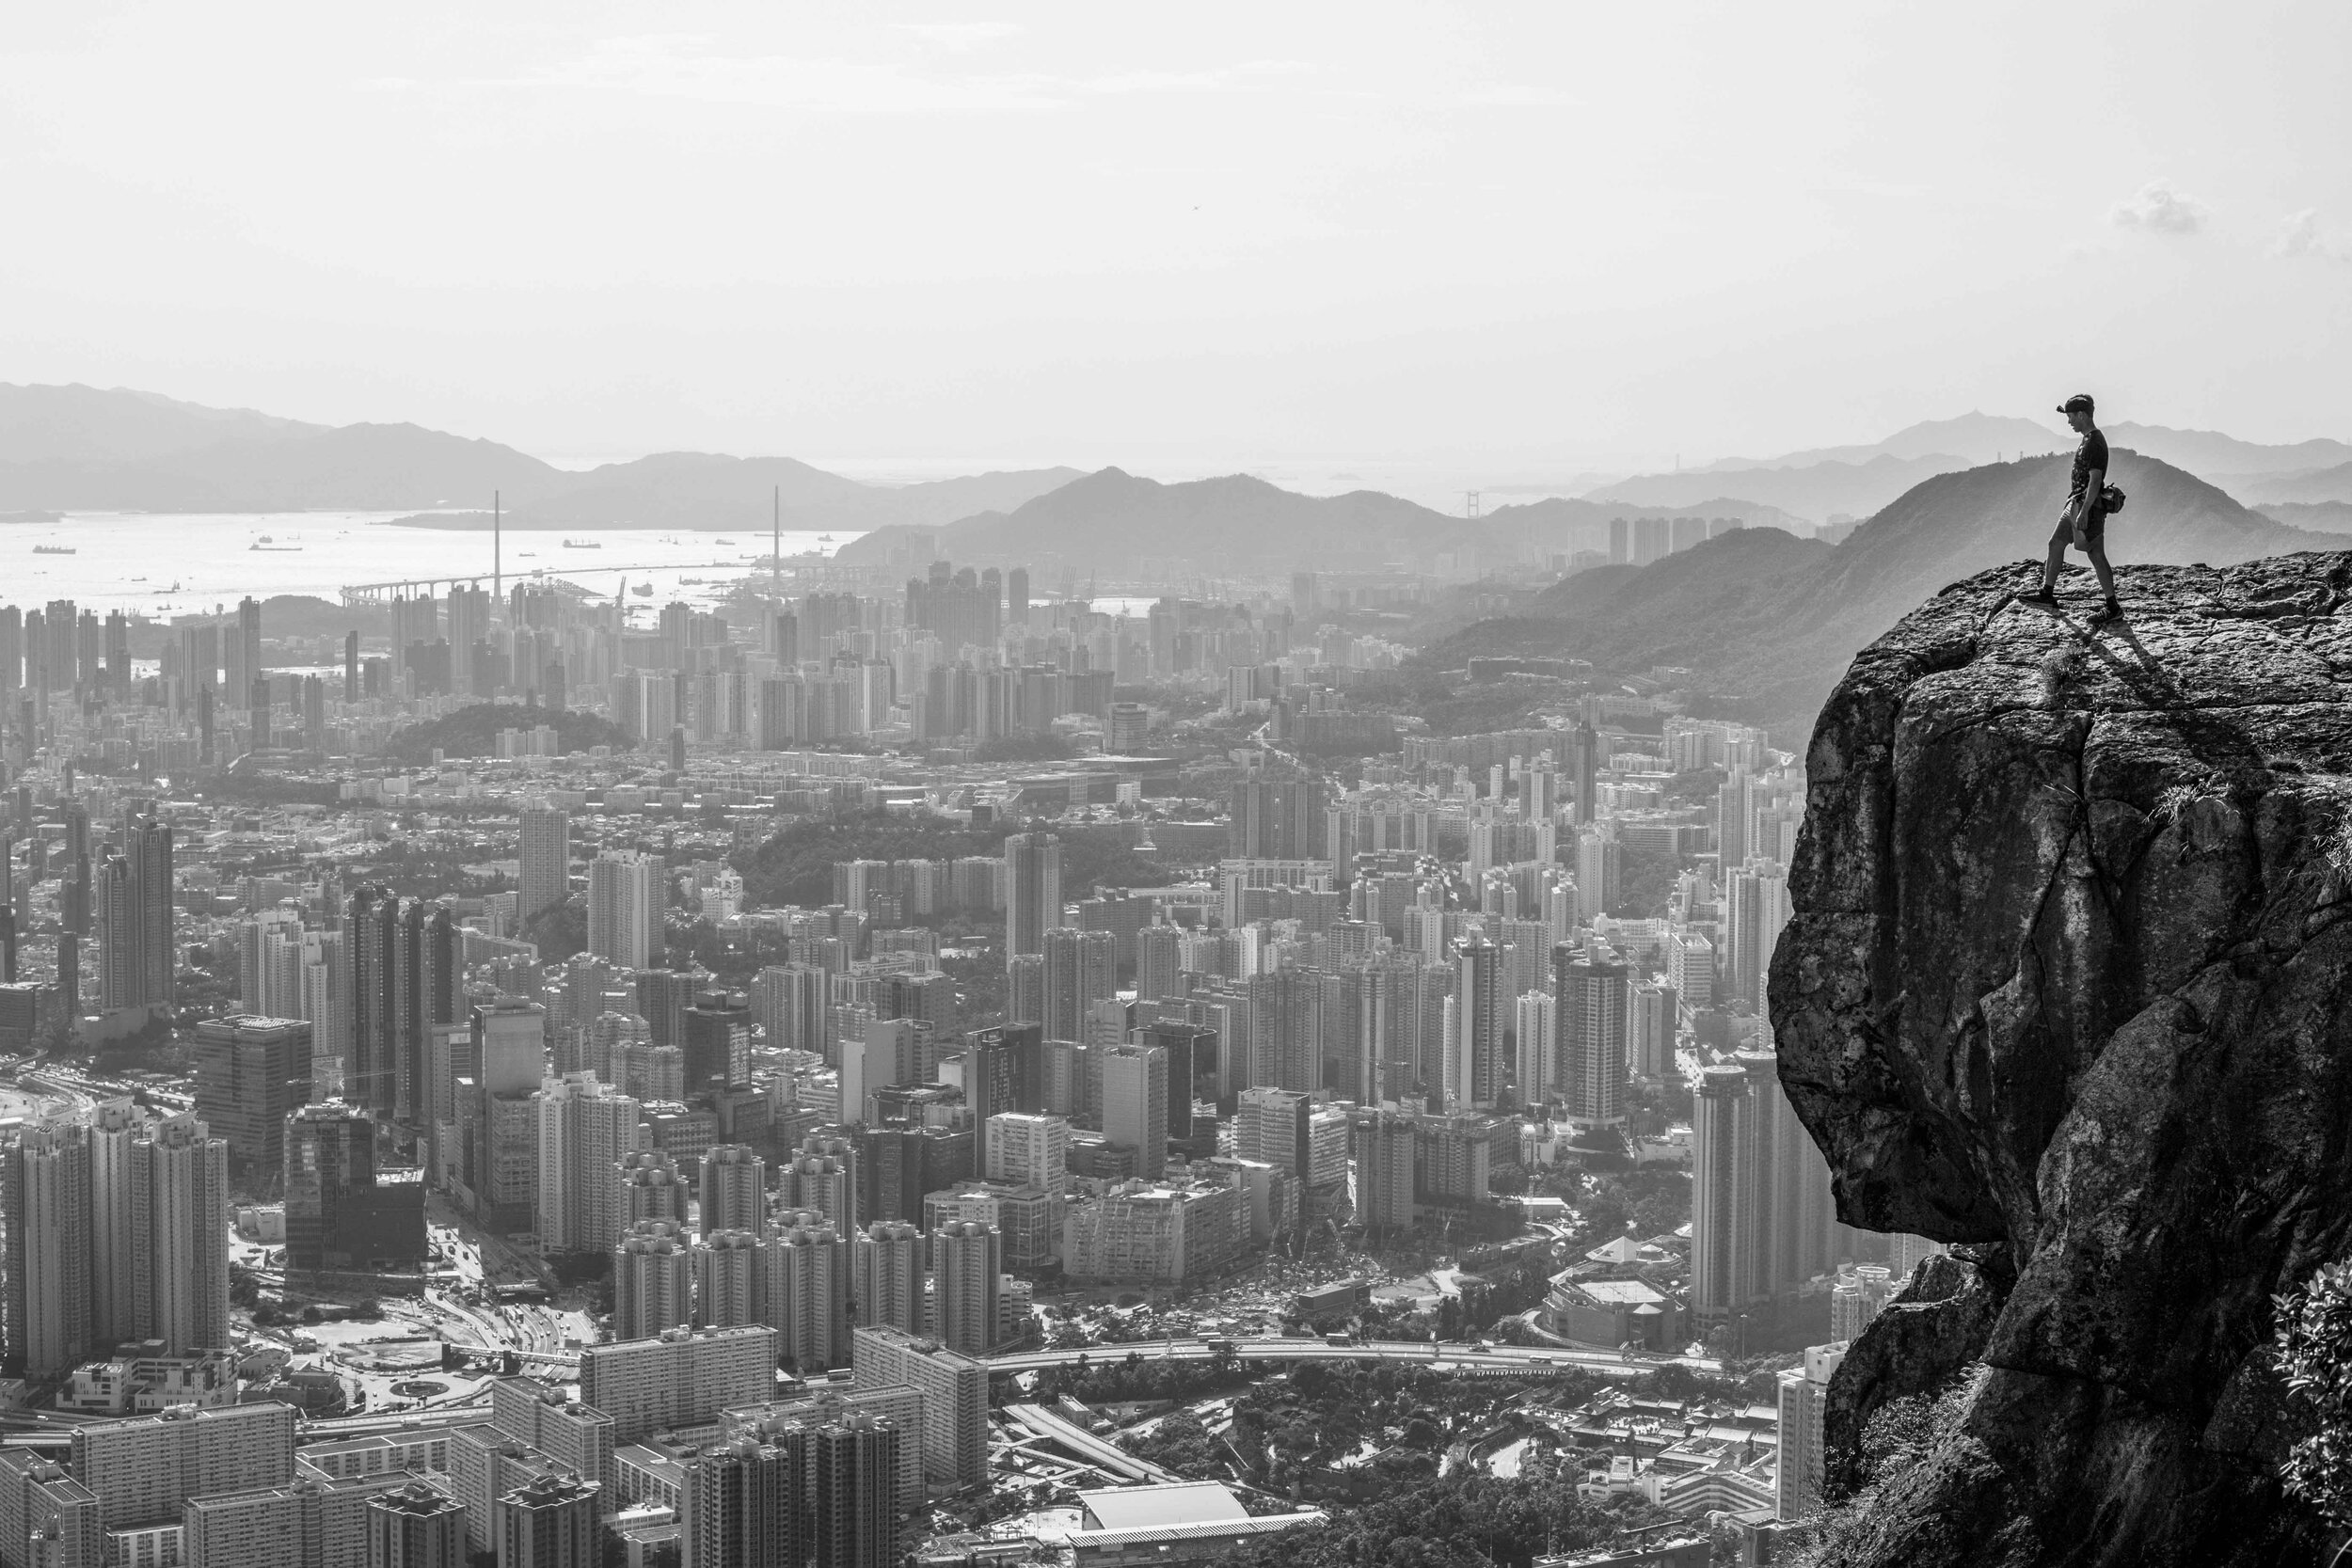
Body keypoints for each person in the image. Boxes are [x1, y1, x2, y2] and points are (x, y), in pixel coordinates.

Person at [2019, 393, 2120, 621]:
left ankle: (2113, 607)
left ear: (2082, 415)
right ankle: (2047, 593)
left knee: (2096, 553)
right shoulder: (2088, 439)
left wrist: (2084, 512)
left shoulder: (2095, 442)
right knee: (2056, 543)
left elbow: (2095, 480)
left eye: (2071, 416)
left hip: (2087, 507)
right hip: (2075, 503)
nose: (2069, 421)